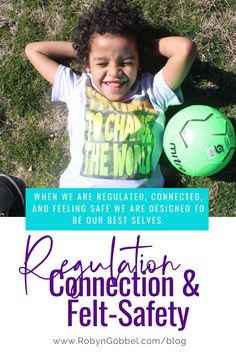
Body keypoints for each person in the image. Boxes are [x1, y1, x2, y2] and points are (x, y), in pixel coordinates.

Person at [1, 0, 196, 215]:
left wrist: (140, 49)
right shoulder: (77, 88)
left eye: (126, 62)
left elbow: (184, 49)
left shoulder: (153, 92)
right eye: (102, 63)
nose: (114, 71)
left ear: (139, 62)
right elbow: (34, 50)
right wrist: (87, 51)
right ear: (87, 64)